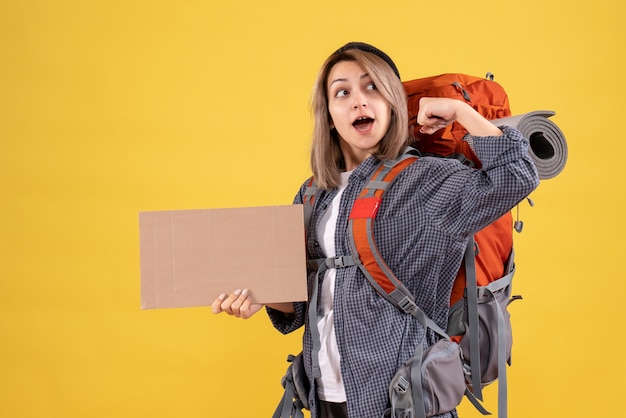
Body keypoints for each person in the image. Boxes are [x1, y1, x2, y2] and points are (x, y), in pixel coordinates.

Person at [211, 42, 539, 418]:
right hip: (325, 399)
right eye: (342, 92)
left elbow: (516, 175)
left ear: (393, 105)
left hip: (400, 403)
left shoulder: (427, 181)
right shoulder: (313, 193)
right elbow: (302, 302)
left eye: (373, 88)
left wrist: (460, 111)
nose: (358, 101)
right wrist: (257, 294)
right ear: (330, 115)